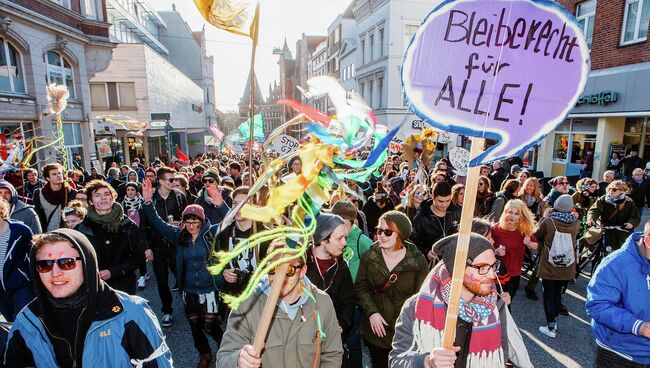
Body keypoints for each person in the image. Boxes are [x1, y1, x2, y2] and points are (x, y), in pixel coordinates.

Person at [3, 229, 173, 367]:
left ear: (87, 263)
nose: (55, 273)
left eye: (66, 262)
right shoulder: (26, 321)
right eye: (45, 265)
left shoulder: (131, 313)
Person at [216, 238, 343, 368]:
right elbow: (224, 359)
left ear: (303, 271)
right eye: (273, 269)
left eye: (289, 271)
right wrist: (238, 359)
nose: (279, 278)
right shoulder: (246, 306)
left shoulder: (322, 303)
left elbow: (332, 354)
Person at [389, 233, 509, 368]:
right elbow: (396, 362)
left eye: (493, 266)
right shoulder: (417, 305)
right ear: (457, 269)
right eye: (482, 268)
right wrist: (426, 362)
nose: (492, 275)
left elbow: (502, 351)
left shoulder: (495, 305)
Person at [142, 179, 223, 368]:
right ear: (184, 222)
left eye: (196, 221)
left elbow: (231, 219)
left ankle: (225, 348)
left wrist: (220, 204)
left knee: (209, 325)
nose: (192, 225)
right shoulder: (179, 236)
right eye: (188, 221)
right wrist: (147, 202)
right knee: (194, 325)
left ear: (202, 221)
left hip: (210, 288)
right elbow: (156, 222)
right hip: (189, 290)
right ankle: (205, 354)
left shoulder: (211, 234)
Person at [356, 211, 428, 368]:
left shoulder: (417, 260)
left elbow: (422, 298)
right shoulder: (370, 256)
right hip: (377, 333)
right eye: (379, 231)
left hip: (405, 333)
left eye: (388, 232)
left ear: (401, 234)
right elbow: (361, 288)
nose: (381, 235)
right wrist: (371, 312)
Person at [585, 221, 650, 367]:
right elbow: (597, 305)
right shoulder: (616, 263)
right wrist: (639, 326)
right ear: (648, 241)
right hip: (619, 354)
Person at [76, 180, 145, 295]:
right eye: (97, 195)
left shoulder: (128, 225)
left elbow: (138, 258)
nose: (103, 198)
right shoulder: (82, 229)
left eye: (107, 194)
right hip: (94, 289)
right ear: (90, 201)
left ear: (112, 198)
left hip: (124, 287)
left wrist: (113, 272)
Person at [305, 213, 355, 354]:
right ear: (323, 239)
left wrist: (342, 325)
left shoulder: (341, 266)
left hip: (332, 340)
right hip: (303, 341)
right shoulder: (301, 264)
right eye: (339, 238)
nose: (345, 243)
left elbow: (349, 300)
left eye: (345, 237)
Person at [533, 195, 580, 338]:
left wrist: (544, 217)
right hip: (567, 264)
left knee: (548, 295)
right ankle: (554, 319)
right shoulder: (576, 222)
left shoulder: (549, 221)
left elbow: (536, 235)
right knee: (558, 292)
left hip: (550, 264)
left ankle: (551, 327)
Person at [150, 166, 188, 326]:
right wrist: (146, 247)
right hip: (157, 245)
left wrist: (181, 225)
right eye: (170, 180)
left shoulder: (179, 196)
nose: (174, 182)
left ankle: (189, 304)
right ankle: (167, 311)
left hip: (177, 244)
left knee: (182, 276)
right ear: (160, 181)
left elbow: (189, 218)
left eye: (174, 179)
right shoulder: (150, 198)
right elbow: (143, 224)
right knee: (161, 279)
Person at [491, 199, 538, 301]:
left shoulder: (523, 230)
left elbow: (536, 246)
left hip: (514, 274)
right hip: (498, 274)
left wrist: (529, 243)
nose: (512, 216)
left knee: (507, 304)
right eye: (510, 212)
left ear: (521, 216)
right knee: (499, 305)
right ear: (505, 213)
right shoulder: (495, 229)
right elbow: (486, 249)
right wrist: (496, 251)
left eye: (516, 213)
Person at [0, 198, 34, 322]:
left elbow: (34, 256)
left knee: (21, 321)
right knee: (9, 322)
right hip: (1, 292)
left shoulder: (21, 230)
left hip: (20, 286)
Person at [587, 180, 640, 252]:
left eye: (614, 189)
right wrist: (591, 218)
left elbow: (635, 216)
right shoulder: (603, 199)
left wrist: (631, 223)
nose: (611, 191)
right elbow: (594, 210)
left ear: (622, 191)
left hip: (621, 232)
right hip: (604, 230)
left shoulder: (629, 202)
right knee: (598, 252)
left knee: (619, 254)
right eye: (609, 188)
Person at [412, 182, 459, 262]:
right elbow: (412, 243)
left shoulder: (457, 212)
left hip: (453, 260)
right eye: (440, 201)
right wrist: (426, 252)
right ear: (433, 197)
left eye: (448, 200)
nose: (445, 205)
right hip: (431, 264)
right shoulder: (421, 217)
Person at [122, 182, 151, 290]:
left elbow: (147, 219)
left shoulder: (142, 203)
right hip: (129, 234)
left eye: (132, 190)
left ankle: (142, 275)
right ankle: (143, 273)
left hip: (141, 233)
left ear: (136, 191)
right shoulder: (123, 203)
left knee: (141, 254)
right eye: (128, 190)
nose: (130, 192)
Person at [33, 163, 77, 231]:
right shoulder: (39, 194)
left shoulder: (72, 193)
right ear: (47, 178)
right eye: (54, 174)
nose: (59, 176)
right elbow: (38, 215)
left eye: (60, 173)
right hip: (48, 233)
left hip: (68, 233)